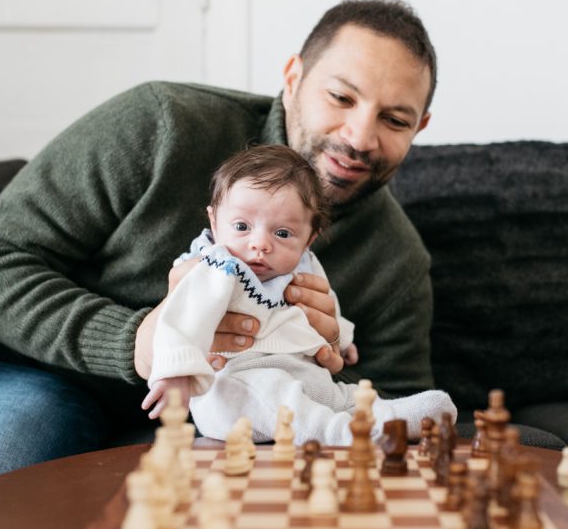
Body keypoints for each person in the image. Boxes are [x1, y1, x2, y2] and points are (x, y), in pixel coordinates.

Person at [0, 0, 438, 529]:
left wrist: (331, 361)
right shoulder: (164, 123)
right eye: (341, 97)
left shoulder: (394, 263)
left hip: (33, 391)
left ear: (421, 129)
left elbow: (392, 428)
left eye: (395, 118)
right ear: (293, 77)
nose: (359, 136)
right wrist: (138, 340)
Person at [143, 144, 455, 443]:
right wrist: (176, 373)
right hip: (235, 386)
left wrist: (342, 340)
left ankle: (392, 415)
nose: (260, 244)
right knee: (279, 393)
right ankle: (343, 435)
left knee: (340, 395)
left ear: (309, 239)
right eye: (241, 226)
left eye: (282, 233)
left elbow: (326, 307)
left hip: (299, 374)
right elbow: (184, 319)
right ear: (214, 219)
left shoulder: (302, 264)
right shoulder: (216, 266)